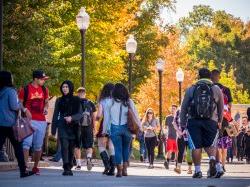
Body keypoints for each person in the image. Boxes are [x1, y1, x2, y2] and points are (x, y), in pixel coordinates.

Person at [180, 68, 224, 178]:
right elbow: (221, 107)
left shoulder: (191, 89)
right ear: (210, 77)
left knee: (196, 146)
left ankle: (198, 171)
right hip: (211, 121)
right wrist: (219, 121)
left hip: (193, 121)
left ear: (198, 76)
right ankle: (213, 161)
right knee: (211, 144)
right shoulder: (216, 89)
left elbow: (184, 107)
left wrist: (183, 123)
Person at [0, 71, 34, 178]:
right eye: (11, 77)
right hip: (9, 123)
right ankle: (23, 171)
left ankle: (23, 171)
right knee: (18, 148)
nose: (12, 78)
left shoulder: (1, 91)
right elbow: (14, 106)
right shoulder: (11, 91)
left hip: (0, 123)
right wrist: (21, 105)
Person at [106, 83, 142, 177]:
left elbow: (106, 118)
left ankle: (119, 170)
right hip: (127, 129)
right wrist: (140, 127)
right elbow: (136, 116)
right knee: (126, 148)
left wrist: (105, 129)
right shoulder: (129, 101)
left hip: (115, 128)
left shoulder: (110, 102)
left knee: (117, 149)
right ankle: (125, 169)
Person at [18, 70, 49, 175]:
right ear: (35, 79)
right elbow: (19, 103)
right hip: (28, 121)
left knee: (38, 146)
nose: (44, 81)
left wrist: (45, 108)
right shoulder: (25, 89)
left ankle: (35, 167)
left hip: (41, 121)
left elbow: (46, 102)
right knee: (26, 144)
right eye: (42, 79)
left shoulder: (45, 90)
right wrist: (25, 110)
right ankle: (25, 167)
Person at [51, 80, 83, 176]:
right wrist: (53, 128)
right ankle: (66, 167)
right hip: (62, 125)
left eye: (66, 87)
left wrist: (71, 118)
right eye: (63, 87)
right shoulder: (59, 100)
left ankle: (69, 166)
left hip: (73, 127)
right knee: (64, 145)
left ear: (70, 88)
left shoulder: (77, 99)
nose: (64, 89)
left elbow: (80, 114)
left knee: (71, 147)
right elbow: (55, 114)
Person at [211, 69, 234, 177]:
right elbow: (229, 107)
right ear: (219, 77)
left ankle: (218, 165)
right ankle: (222, 165)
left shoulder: (209, 88)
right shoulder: (226, 89)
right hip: (224, 121)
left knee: (216, 145)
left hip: (212, 120)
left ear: (211, 77)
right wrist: (229, 119)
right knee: (223, 146)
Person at [96, 83, 116, 175]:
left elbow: (99, 115)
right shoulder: (116, 100)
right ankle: (112, 168)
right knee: (111, 146)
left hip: (104, 124)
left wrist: (96, 119)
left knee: (101, 145)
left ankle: (107, 165)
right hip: (114, 125)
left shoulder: (102, 100)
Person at [75, 87, 96, 171]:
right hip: (88, 126)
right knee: (89, 145)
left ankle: (79, 164)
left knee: (77, 145)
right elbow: (94, 116)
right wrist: (94, 127)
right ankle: (88, 158)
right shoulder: (90, 103)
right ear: (85, 93)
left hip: (77, 126)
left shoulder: (74, 102)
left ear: (78, 93)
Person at [172, 108, 193, 174]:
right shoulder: (178, 111)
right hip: (180, 135)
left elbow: (193, 122)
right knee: (180, 152)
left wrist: (186, 130)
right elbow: (174, 122)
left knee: (189, 152)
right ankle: (178, 168)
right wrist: (178, 131)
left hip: (190, 135)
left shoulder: (191, 110)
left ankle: (190, 169)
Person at [164, 105, 178, 169]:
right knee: (169, 150)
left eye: (174, 109)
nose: (173, 110)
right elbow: (166, 127)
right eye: (172, 109)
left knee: (177, 151)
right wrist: (165, 134)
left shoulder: (178, 117)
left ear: (176, 110)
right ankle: (167, 162)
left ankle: (177, 164)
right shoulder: (168, 117)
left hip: (177, 137)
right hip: (169, 136)